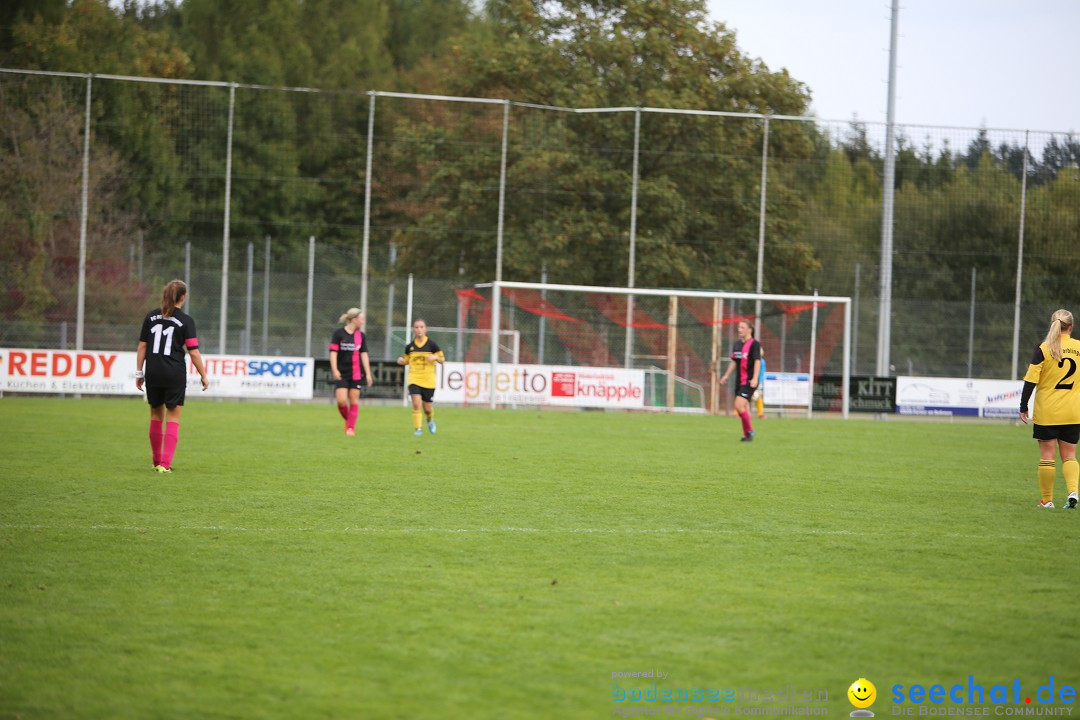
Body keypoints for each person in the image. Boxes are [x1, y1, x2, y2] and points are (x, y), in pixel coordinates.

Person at [135, 279, 209, 473]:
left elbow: (142, 346)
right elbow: (193, 351)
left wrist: (139, 372)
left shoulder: (151, 317)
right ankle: (165, 464)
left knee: (155, 415)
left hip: (153, 371)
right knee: (173, 418)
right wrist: (203, 375)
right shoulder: (186, 321)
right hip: (174, 373)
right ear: (183, 297)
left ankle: (155, 461)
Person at [1020, 309, 1080, 509]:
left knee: (1047, 455)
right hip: (1073, 411)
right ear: (1071, 327)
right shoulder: (1079, 348)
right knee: (1070, 455)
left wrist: (1023, 406)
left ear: (1053, 323)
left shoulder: (1044, 348)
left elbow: (1030, 380)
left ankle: (1047, 501)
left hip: (1047, 412)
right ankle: (1073, 492)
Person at [397, 319, 445, 436]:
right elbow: (407, 361)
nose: (419, 329)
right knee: (416, 403)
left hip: (428, 380)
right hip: (414, 379)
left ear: (425, 329)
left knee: (427, 408)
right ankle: (418, 429)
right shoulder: (410, 347)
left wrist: (435, 358)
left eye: (421, 327)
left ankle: (429, 420)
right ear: (414, 329)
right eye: (417, 327)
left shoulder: (432, 345)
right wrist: (402, 361)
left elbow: (442, 360)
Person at [330, 308, 372, 436]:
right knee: (341, 401)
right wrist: (334, 369)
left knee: (354, 400)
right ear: (354, 319)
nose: (363, 322)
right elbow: (333, 353)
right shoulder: (338, 334)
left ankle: (350, 428)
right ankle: (349, 421)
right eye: (362, 319)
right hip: (342, 373)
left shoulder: (361, 336)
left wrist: (368, 374)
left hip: (356, 373)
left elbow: (364, 355)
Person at [719, 319, 761, 442]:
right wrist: (726, 375)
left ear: (750, 330)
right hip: (739, 381)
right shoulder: (737, 344)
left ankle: (750, 431)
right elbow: (734, 362)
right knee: (740, 408)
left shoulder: (754, 344)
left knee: (738, 405)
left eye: (742, 327)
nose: (739, 330)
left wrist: (754, 378)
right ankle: (747, 435)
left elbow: (757, 361)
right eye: (739, 327)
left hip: (749, 381)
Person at [753, 350, 767, 419]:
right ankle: (739, 412)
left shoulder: (761, 362)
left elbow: (761, 373)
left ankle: (760, 413)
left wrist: (759, 382)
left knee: (758, 397)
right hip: (752, 380)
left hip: (758, 382)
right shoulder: (753, 360)